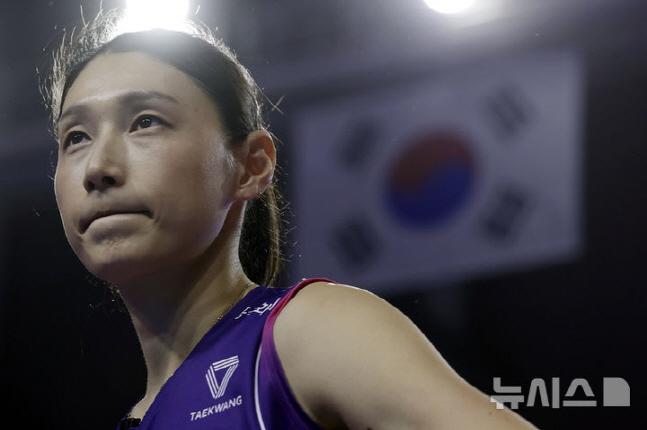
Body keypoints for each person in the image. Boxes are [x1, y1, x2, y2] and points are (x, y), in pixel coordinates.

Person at [45, 11, 539, 430]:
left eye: (145, 122)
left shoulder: (307, 332)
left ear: (251, 166)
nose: (98, 168)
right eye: (76, 138)